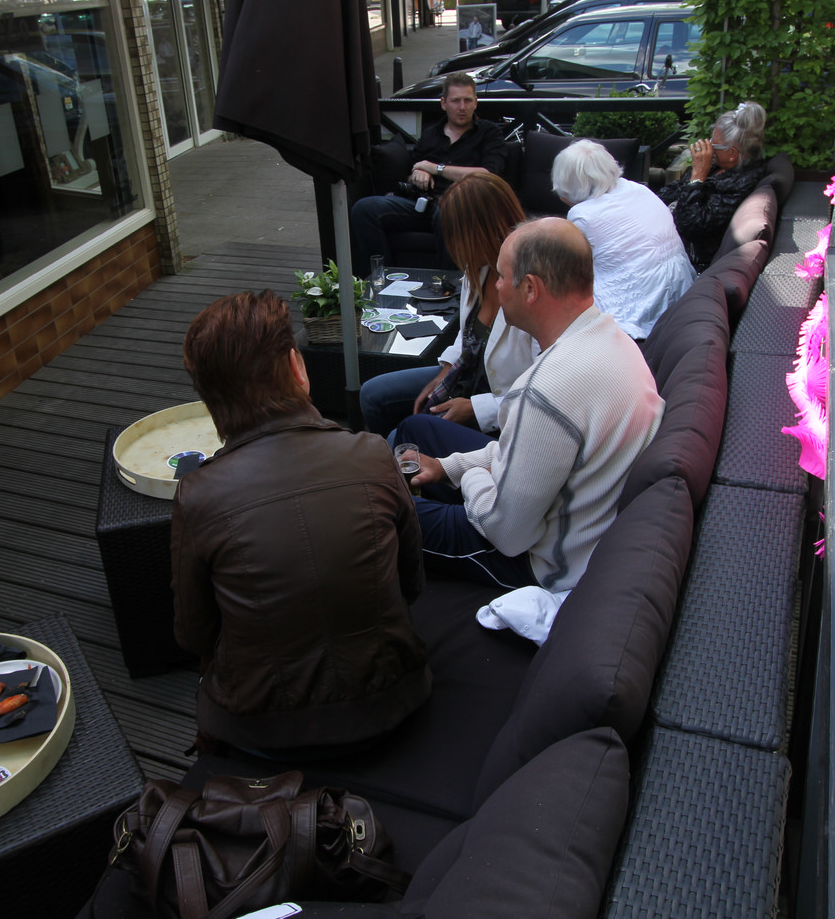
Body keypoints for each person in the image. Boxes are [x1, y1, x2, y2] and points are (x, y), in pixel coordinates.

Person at [171, 291, 430, 757]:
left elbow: (193, 636)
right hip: (391, 703)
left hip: (261, 731)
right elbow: (411, 584)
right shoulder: (373, 454)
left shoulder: (198, 494)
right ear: (297, 367)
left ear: (209, 399)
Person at [398, 218, 664, 593]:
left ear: (530, 288)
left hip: (540, 564)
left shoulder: (548, 389)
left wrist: (471, 477)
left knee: (383, 511)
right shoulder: (613, 338)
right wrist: (447, 467)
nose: (496, 286)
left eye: (502, 276)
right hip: (566, 517)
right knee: (416, 429)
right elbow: (526, 450)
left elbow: (506, 534)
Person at [359, 173, 539, 441]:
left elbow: (544, 391)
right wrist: (445, 370)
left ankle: (414, 458)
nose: (452, 246)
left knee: (400, 438)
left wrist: (476, 409)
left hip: (503, 407)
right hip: (465, 376)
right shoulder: (478, 268)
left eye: (455, 235)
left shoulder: (532, 289)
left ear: (482, 231)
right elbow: (467, 336)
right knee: (372, 395)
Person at [349, 72, 509, 275]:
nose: (462, 107)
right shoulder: (431, 133)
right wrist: (417, 173)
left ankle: (450, 286)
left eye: (468, 100)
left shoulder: (489, 132)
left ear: (475, 102)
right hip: (423, 204)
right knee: (364, 209)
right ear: (444, 103)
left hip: (464, 208)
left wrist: (436, 168)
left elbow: (488, 175)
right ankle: (381, 280)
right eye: (456, 101)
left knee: (447, 210)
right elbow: (414, 169)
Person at [552, 139, 696, 340]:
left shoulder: (583, 215)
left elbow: (573, 270)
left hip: (644, 302)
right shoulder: (638, 189)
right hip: (681, 286)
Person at [654, 100, 769, 271]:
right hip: (664, 237)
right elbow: (672, 190)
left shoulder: (740, 185)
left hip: (687, 260)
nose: (709, 147)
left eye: (714, 144)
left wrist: (697, 175)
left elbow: (689, 224)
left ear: (732, 153)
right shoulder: (718, 167)